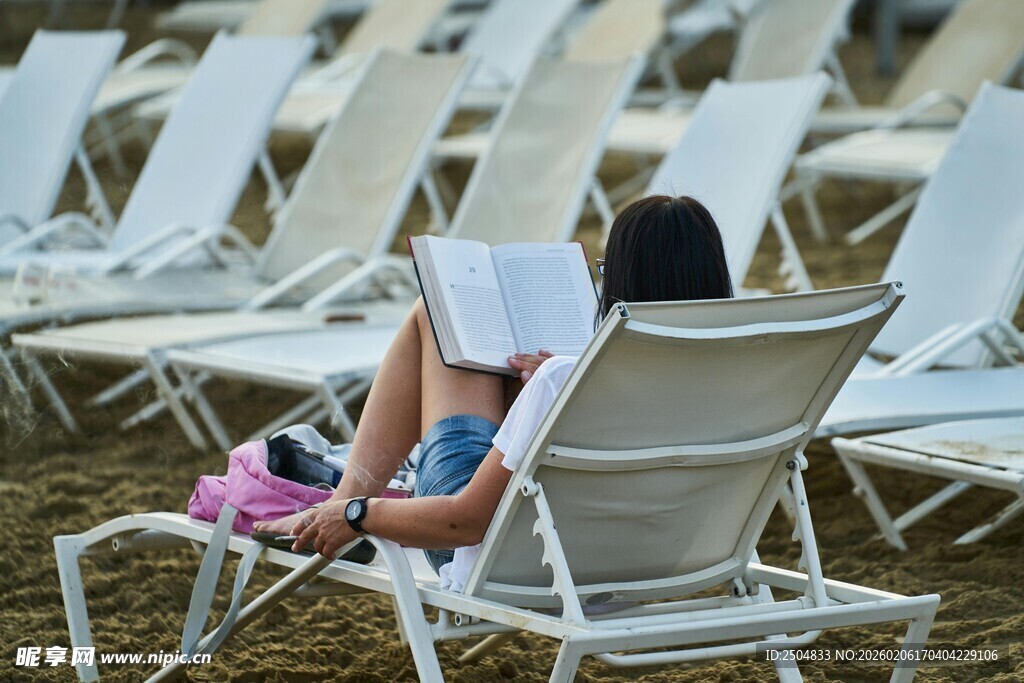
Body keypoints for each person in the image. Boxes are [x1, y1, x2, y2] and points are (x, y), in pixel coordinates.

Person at [253, 194, 733, 589]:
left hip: (508, 558)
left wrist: (359, 514)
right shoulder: (737, 384)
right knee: (503, 370)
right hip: (652, 559)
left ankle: (336, 505)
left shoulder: (567, 379)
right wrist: (560, 388)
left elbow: (464, 524)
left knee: (436, 317)